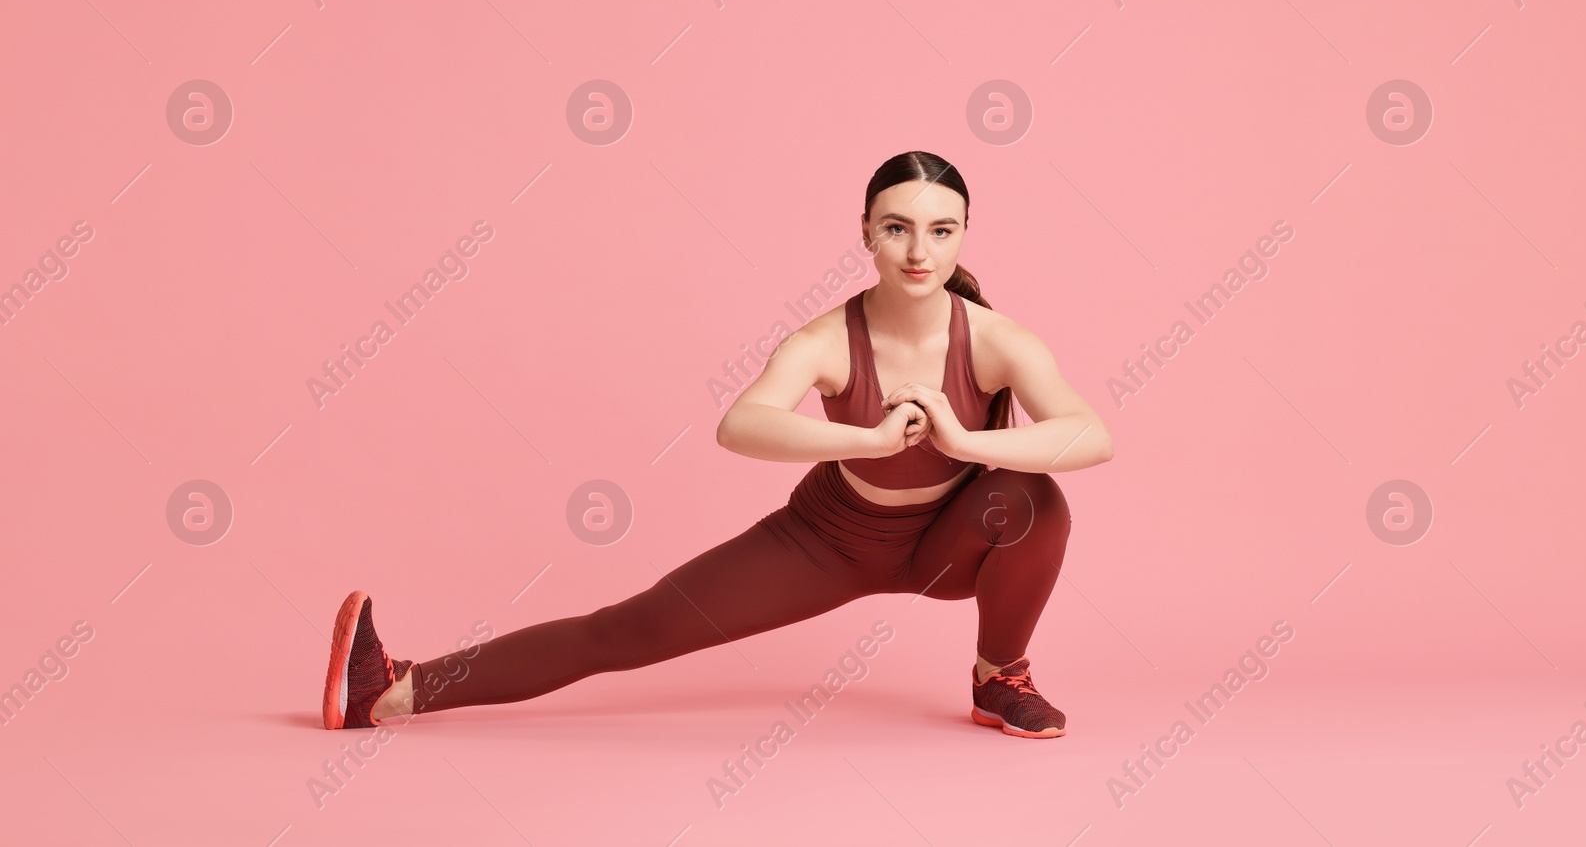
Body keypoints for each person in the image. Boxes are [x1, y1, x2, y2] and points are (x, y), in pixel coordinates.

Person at [321, 150, 1113, 739]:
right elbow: (741, 423)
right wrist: (868, 438)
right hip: (829, 542)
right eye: (898, 227)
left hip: (949, 544)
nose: (918, 251)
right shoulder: (829, 337)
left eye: (941, 230)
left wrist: (963, 435)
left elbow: (1090, 434)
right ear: (865, 232)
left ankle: (998, 673)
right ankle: (393, 688)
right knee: (624, 630)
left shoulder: (998, 340)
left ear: (964, 234)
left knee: (1035, 499)